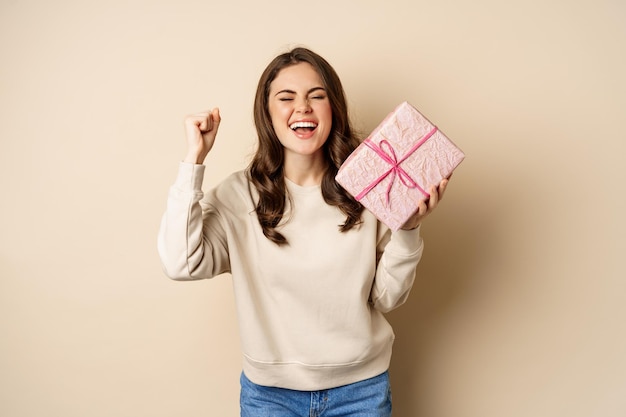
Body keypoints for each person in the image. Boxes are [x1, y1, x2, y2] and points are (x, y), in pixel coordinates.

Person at [157, 47, 449, 417]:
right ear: (267, 114)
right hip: (270, 398)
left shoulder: (370, 186)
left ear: (333, 108)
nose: (303, 107)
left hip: (361, 392)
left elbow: (388, 299)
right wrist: (193, 160)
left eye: (317, 96)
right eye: (286, 97)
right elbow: (180, 262)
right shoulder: (238, 195)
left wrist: (407, 229)